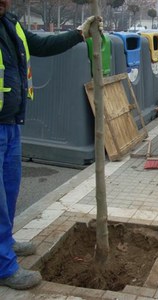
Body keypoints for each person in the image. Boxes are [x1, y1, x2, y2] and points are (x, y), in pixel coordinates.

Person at [0, 0, 102, 290]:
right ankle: (4, 267)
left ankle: (5, 243)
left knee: (9, 192)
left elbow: (42, 47)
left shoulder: (11, 24)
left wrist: (79, 34)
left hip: (10, 124)